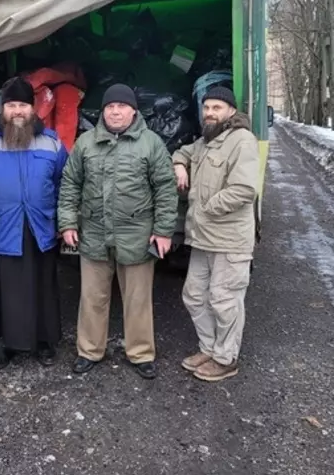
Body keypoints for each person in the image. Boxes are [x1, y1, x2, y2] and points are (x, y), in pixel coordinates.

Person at [58, 84, 178, 379]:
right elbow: (70, 185)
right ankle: (89, 350)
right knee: (92, 298)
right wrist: (68, 223)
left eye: (121, 106)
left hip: (136, 235)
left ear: (133, 111)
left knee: (137, 300)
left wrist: (163, 231)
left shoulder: (150, 143)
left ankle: (140, 353)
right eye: (110, 107)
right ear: (103, 112)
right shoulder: (86, 143)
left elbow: (165, 189)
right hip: (95, 235)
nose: (115, 111)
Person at [0, 77, 68, 369]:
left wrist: (65, 220)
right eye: (11, 105)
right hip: (1, 228)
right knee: (6, 291)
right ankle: (5, 344)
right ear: (2, 109)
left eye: (22, 105)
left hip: (40, 226)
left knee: (43, 287)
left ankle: (44, 342)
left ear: (33, 109)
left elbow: (66, 185)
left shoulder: (52, 141)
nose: (17, 111)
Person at [173, 86, 259, 382]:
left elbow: (245, 189)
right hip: (202, 239)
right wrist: (179, 165)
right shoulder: (207, 141)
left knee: (224, 299)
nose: (210, 112)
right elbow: (183, 151)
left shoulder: (242, 141)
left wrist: (207, 206)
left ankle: (226, 358)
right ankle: (209, 348)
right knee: (194, 296)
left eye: (217, 108)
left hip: (228, 239)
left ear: (231, 112)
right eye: (207, 107)